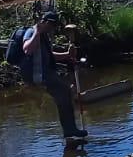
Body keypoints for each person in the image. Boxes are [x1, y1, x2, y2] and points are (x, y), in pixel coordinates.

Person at [20, 9, 87, 144]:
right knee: (65, 92)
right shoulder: (32, 32)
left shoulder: (44, 36)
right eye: (50, 26)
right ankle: (70, 131)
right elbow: (27, 49)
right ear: (43, 22)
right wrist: (37, 33)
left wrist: (67, 55)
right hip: (38, 75)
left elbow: (50, 56)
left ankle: (70, 133)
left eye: (54, 27)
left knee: (65, 93)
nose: (52, 29)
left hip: (47, 74)